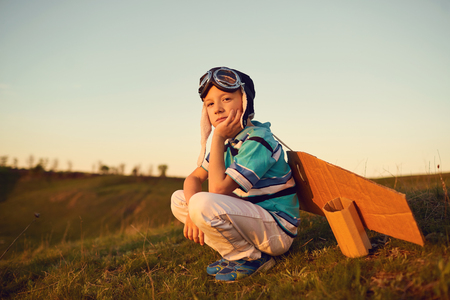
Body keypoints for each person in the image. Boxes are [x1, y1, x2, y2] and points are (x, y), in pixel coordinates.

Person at [171, 67, 300, 282]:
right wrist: (193, 212)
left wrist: (218, 137)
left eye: (226, 99)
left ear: (244, 101)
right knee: (179, 199)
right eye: (210, 104)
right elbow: (193, 178)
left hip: (277, 231)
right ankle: (238, 255)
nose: (218, 109)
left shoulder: (258, 140)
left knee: (202, 202)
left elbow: (217, 190)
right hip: (255, 222)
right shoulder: (227, 143)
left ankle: (250, 258)